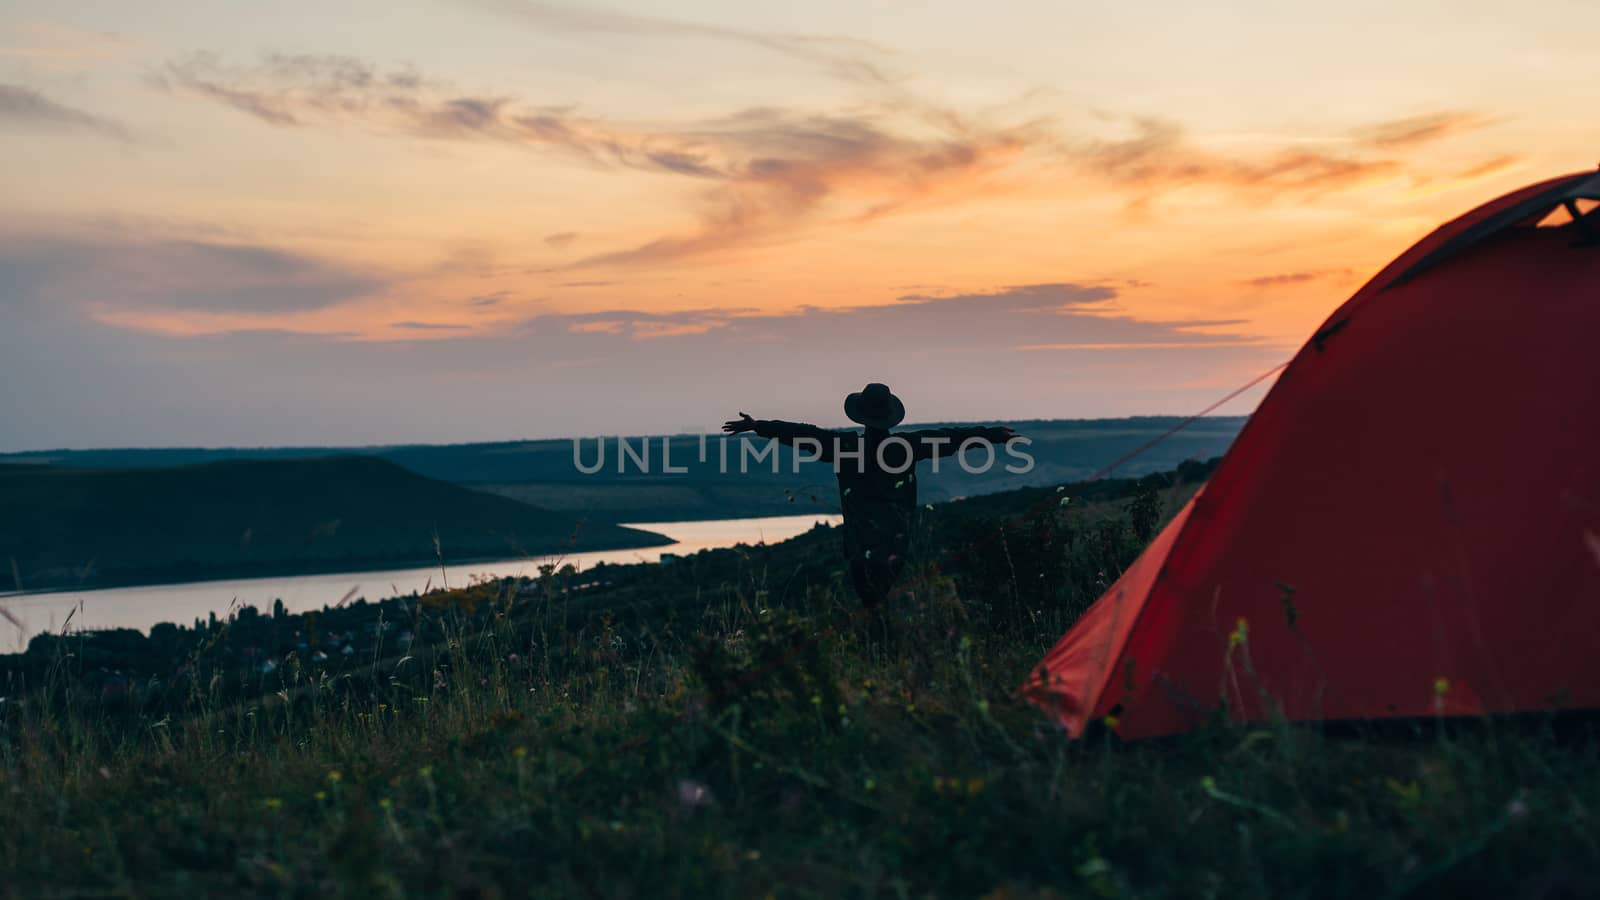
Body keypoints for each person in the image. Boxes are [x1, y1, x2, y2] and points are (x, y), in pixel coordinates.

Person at [723, 382, 1018, 608]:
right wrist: (993, 434)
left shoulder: (843, 446)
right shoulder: (906, 446)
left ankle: (880, 654)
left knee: (871, 605)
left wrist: (757, 426)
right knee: (893, 601)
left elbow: (802, 434)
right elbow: (952, 438)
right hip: (896, 541)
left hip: (859, 543)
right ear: (890, 418)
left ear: (862, 417)